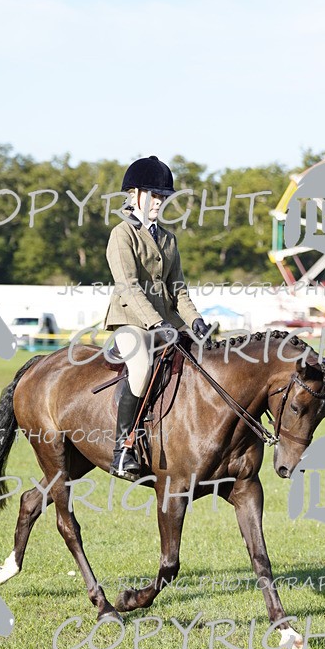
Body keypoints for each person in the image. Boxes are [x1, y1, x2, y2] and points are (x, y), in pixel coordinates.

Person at [103, 155, 212, 480]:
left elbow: (177, 289)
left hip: (166, 323)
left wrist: (195, 320)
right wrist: (157, 324)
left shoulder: (167, 238)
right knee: (141, 368)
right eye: (154, 196)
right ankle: (123, 449)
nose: (159, 203)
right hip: (131, 321)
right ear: (134, 195)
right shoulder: (122, 235)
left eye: (163, 198)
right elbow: (129, 287)